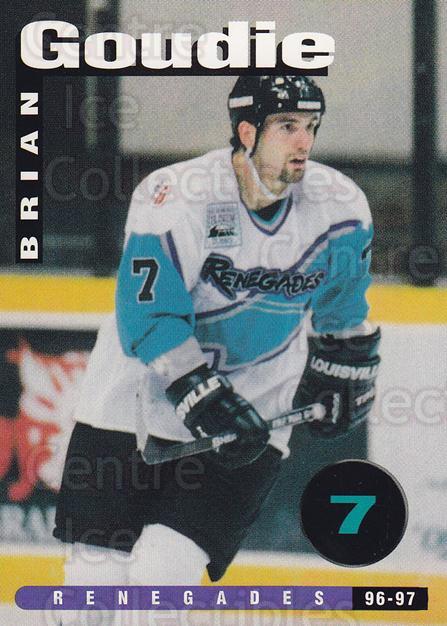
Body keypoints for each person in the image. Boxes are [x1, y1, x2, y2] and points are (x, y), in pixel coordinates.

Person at [53, 75, 380, 622]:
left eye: (311, 127)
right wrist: (198, 389)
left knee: (166, 573)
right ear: (247, 131)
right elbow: (148, 313)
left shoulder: (339, 205)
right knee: (93, 585)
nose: (304, 141)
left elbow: (343, 308)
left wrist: (347, 362)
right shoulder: (177, 194)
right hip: (130, 401)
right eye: (288, 126)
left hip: (253, 413)